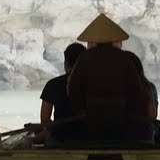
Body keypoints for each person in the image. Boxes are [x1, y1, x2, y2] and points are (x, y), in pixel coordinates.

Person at [65, 13, 154, 141]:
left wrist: (80, 111)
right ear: (113, 39)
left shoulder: (85, 58)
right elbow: (135, 89)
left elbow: (73, 88)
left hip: (93, 116)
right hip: (121, 116)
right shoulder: (124, 58)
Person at [38, 42, 86, 138]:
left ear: (66, 62)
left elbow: (44, 119)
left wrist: (55, 131)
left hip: (60, 137)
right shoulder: (93, 83)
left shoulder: (53, 84)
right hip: (89, 137)